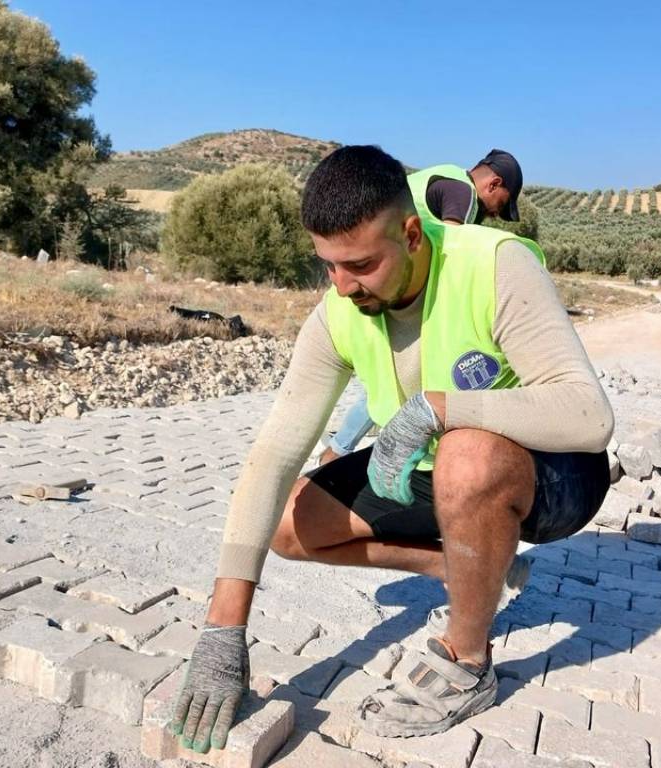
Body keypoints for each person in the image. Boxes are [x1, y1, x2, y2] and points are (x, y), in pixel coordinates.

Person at [170, 145, 613, 750]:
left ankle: (467, 661)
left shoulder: (494, 264)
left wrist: (439, 408)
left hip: (556, 473)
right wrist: (223, 629)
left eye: (359, 265)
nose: (342, 285)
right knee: (292, 524)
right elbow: (274, 452)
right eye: (327, 265)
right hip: (443, 471)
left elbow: (589, 417)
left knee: (467, 454)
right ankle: (476, 566)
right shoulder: (336, 312)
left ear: (411, 234)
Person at [321, 148, 525, 463]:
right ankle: (404, 457)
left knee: (384, 381)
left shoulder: (440, 175)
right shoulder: (464, 195)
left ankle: (339, 449)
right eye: (503, 204)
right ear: (494, 184)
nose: (498, 214)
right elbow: (457, 256)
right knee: (403, 384)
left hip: (373, 292)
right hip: (399, 300)